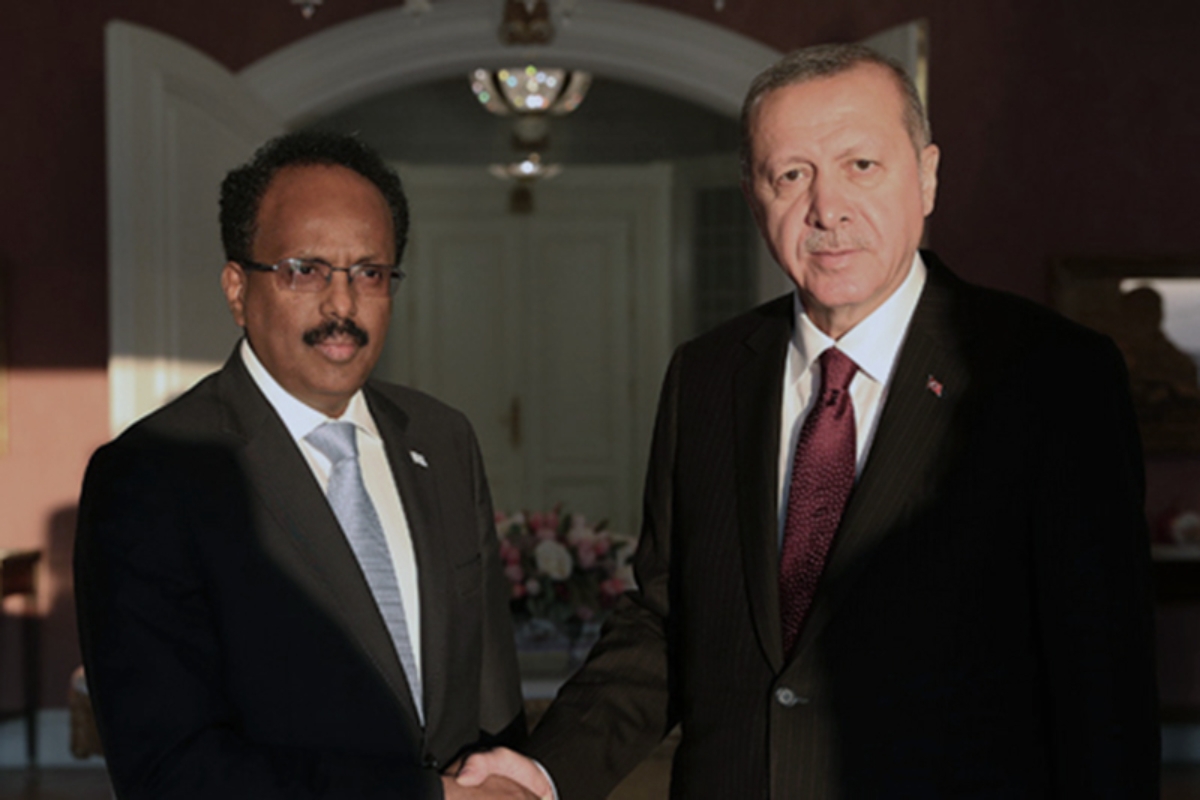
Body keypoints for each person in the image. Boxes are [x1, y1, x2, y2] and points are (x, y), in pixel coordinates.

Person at [457, 43, 1160, 798]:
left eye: (862, 165)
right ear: (755, 198)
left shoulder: (1049, 376)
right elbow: (667, 621)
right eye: (791, 176)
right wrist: (541, 770)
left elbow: (1103, 682)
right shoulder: (708, 375)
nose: (827, 208)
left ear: (926, 176)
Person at [75, 131, 537, 799]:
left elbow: (492, 701)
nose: (342, 306)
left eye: (368, 273)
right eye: (305, 269)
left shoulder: (442, 439)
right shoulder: (154, 476)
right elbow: (170, 770)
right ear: (238, 289)